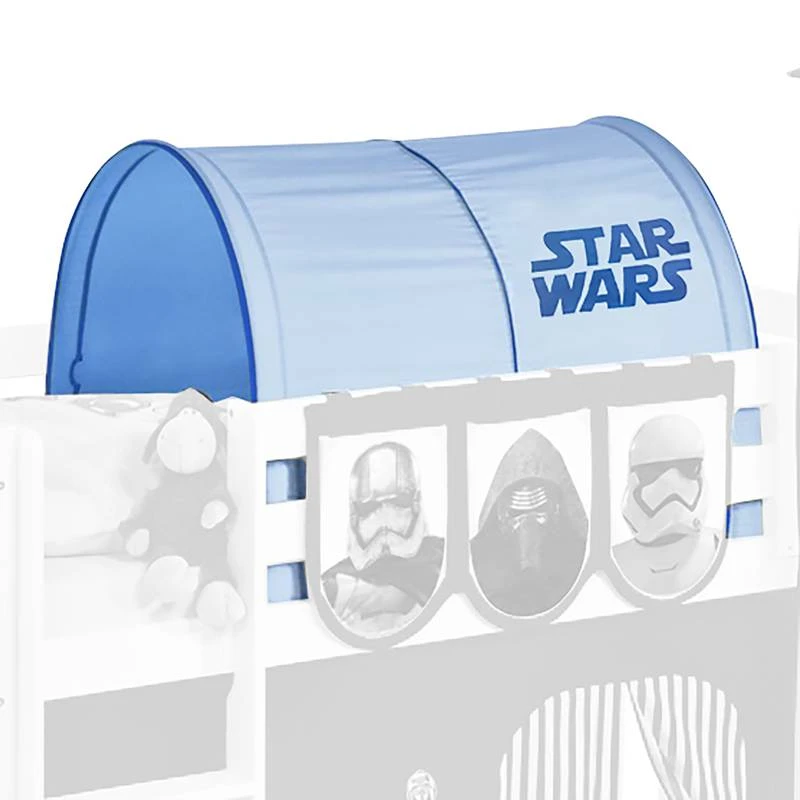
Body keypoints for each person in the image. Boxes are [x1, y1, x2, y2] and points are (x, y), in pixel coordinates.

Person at [322, 441, 444, 637]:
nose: (384, 520)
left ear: (416, 502)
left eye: (398, 501)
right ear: (354, 513)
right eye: (369, 506)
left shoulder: (442, 560)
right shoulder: (336, 585)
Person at [471, 429, 588, 617]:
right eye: (517, 512)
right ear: (500, 513)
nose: (528, 526)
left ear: (557, 509)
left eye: (539, 509)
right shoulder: (478, 560)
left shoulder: (579, 553)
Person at [614, 414, 720, 596]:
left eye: (688, 469)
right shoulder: (613, 562)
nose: (672, 484)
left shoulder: (722, 547)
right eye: (654, 472)